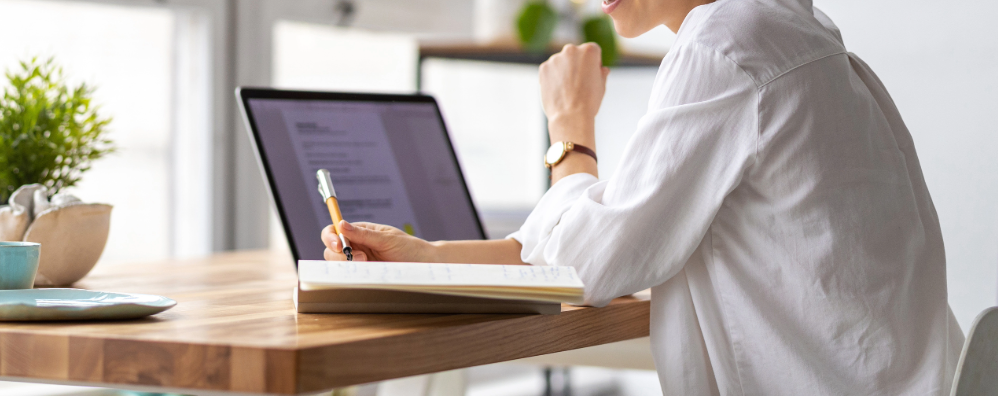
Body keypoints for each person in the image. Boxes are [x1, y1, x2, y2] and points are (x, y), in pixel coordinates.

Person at [319, 0, 965, 394]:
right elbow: (612, 235)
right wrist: (427, 257)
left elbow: (588, 264)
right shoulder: (801, 32)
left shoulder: (724, 45)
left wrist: (569, 124)